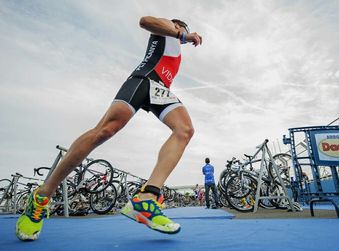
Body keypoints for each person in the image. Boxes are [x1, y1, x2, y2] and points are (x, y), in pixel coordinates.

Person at [16, 16, 202, 240]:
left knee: (184, 130)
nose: (184, 36)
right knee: (104, 131)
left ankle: (146, 199)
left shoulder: (174, 47)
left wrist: (182, 38)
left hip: (161, 88)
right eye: (183, 29)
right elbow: (145, 21)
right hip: (143, 80)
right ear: (178, 26)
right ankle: (42, 196)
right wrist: (181, 33)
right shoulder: (168, 29)